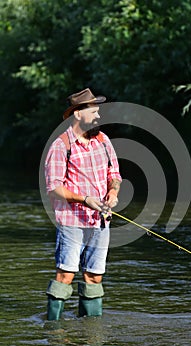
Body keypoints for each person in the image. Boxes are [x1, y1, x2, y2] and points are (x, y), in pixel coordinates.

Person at [44, 88, 122, 320]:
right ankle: (54, 329)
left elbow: (114, 173)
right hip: (71, 222)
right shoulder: (60, 145)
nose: (99, 116)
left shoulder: (103, 140)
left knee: (94, 277)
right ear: (78, 114)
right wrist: (85, 200)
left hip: (100, 221)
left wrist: (113, 193)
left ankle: (90, 331)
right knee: (66, 275)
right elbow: (54, 188)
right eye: (94, 111)